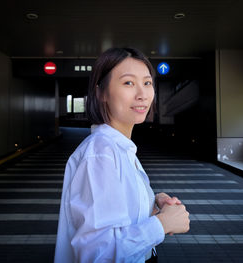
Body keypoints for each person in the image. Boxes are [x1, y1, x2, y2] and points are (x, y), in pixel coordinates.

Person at [54, 47, 190, 263]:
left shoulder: (119, 147)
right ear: (101, 92)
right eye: (128, 83)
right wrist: (162, 225)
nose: (142, 94)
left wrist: (151, 202)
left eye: (147, 83)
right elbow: (97, 254)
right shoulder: (101, 154)